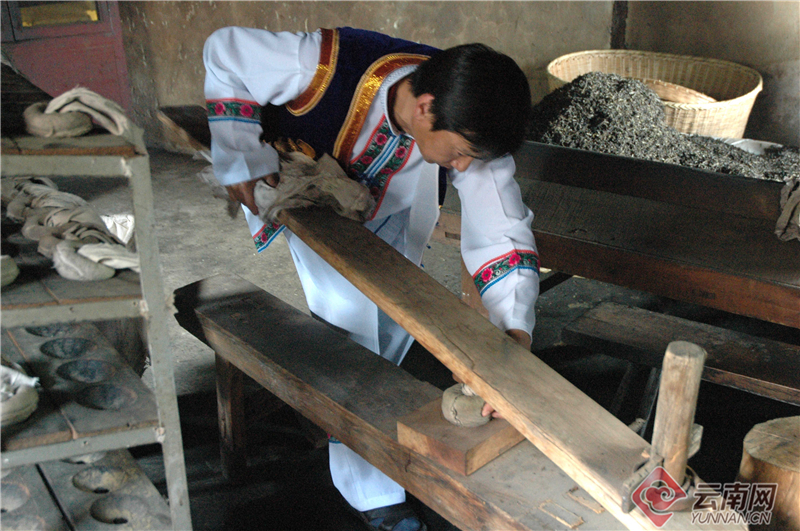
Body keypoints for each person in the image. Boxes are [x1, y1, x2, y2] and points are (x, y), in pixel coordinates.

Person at [204, 26, 539, 531]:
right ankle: (370, 492)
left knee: (399, 323)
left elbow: (502, 227)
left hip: (394, 203)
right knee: (350, 336)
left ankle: (382, 443)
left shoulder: (466, 117)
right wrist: (241, 154)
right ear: (425, 108)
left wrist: (512, 329)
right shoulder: (321, 65)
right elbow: (225, 51)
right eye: (461, 153)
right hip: (314, 202)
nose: (465, 166)